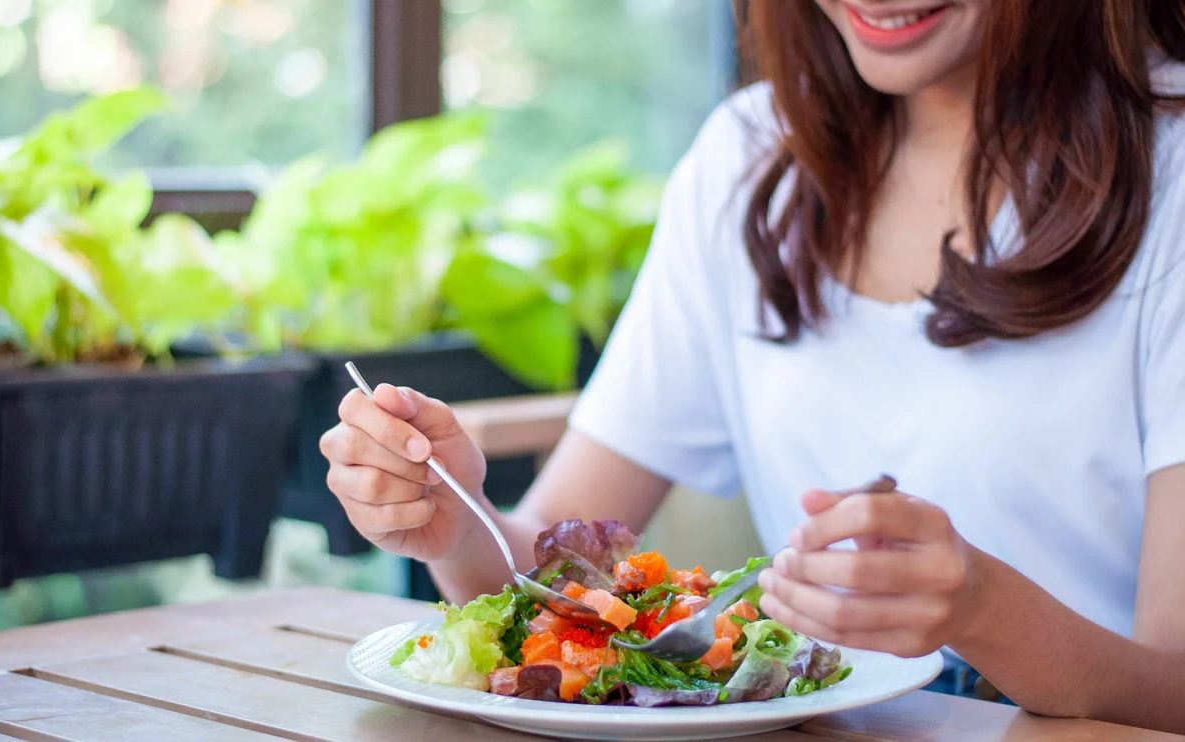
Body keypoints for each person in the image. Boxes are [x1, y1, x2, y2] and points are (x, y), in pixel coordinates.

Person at [320, 1, 1185, 733]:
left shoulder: (1172, 171)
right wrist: (455, 521)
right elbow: (554, 579)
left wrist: (985, 614)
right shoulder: (752, 158)